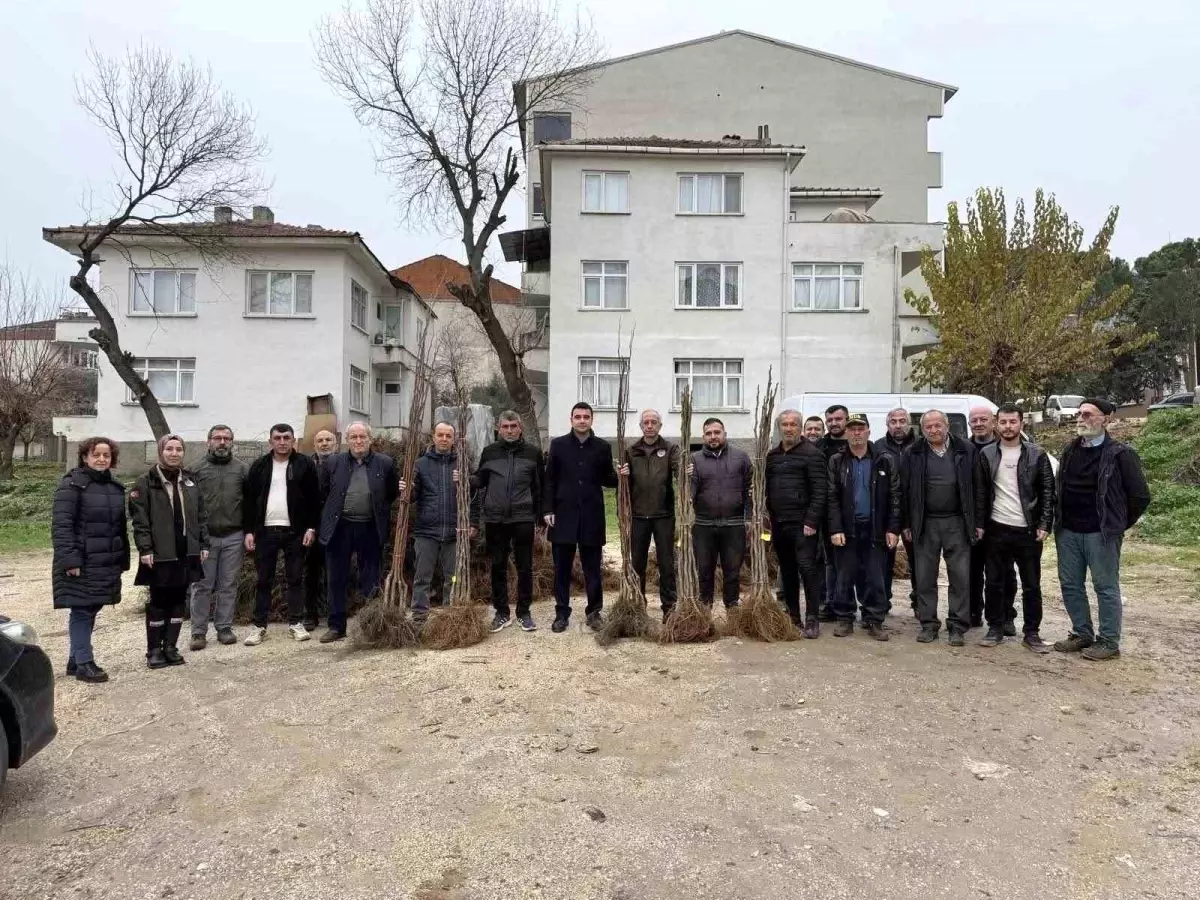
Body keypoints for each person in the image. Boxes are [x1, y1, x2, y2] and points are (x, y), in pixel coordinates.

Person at [1053, 398, 1150, 660]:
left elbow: (1140, 496)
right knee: (1070, 584)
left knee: (1105, 587)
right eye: (1079, 413)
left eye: (1088, 414)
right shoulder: (1071, 449)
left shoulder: (1120, 453)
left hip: (1101, 534)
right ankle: (1082, 633)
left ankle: (1108, 642)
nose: (1081, 418)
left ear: (1105, 419)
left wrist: (1117, 524)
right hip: (1068, 531)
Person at [899, 410, 988, 647]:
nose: (933, 430)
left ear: (947, 426)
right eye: (928, 427)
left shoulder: (966, 449)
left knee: (960, 577)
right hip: (924, 523)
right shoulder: (913, 452)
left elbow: (979, 488)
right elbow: (904, 490)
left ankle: (957, 626)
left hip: (957, 522)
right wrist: (906, 523)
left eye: (938, 425)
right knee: (925, 577)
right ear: (922, 429)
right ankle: (928, 624)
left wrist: (978, 522)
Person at [977, 404, 1056, 652]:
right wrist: (980, 524)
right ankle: (995, 627)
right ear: (996, 424)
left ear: (1021, 423)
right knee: (994, 582)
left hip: (1028, 530)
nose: (1008, 427)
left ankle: (1031, 633)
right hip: (996, 529)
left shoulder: (1037, 454)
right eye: (1003, 422)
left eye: (1013, 422)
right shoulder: (987, 454)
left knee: (1031, 584)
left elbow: (1047, 491)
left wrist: (1044, 523)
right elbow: (981, 492)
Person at [51, 437, 130, 683]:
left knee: (92, 606)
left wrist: (121, 559)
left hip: (106, 561)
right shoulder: (72, 485)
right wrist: (70, 560)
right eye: (96, 454)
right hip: (81, 561)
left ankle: (75, 660)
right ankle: (85, 664)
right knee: (82, 609)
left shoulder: (114, 488)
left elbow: (119, 529)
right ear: (85, 457)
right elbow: (62, 526)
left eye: (106, 455)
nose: (101, 459)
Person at [129, 435, 209, 669]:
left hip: (186, 550)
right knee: (159, 600)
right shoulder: (146, 481)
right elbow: (140, 520)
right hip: (160, 551)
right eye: (169, 449)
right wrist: (145, 548)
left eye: (178, 449)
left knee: (178, 599)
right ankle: (154, 650)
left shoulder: (191, 480)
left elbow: (201, 516)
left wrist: (203, 544)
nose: (174, 453)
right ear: (161, 451)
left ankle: (171, 647)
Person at [318, 422, 399, 642]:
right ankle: (336, 627)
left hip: (370, 527)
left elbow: (391, 493)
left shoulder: (385, 463)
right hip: (339, 527)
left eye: (362, 437)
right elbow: (323, 492)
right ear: (347, 440)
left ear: (370, 439)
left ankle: (369, 627)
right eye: (353, 437)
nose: (358, 441)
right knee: (336, 578)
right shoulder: (333, 462)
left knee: (370, 579)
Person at [242, 423, 320, 646]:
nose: (282, 442)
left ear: (293, 440)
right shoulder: (259, 466)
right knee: (263, 580)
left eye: (287, 438)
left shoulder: (305, 464)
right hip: (265, 532)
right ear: (271, 441)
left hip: (295, 532)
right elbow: (249, 501)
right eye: (278, 438)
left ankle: (296, 623)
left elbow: (315, 499)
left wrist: (311, 527)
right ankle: (259, 626)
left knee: (295, 579)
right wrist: (249, 531)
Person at [544, 402, 618, 633]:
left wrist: (621, 475)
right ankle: (561, 613)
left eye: (586, 417)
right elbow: (549, 480)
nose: (582, 420)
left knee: (593, 569)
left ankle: (594, 612)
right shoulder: (558, 445)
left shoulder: (602, 447)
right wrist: (548, 510)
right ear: (571, 419)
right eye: (578, 417)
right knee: (562, 569)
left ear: (592, 419)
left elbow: (608, 479)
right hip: (563, 515)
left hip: (591, 516)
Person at [828, 414, 900, 641]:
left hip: (875, 528)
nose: (856, 433)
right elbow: (831, 497)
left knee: (875, 576)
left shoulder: (884, 459)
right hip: (847, 528)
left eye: (861, 429)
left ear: (869, 431)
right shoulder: (837, 461)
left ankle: (874, 618)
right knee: (844, 575)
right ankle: (844, 617)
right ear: (846, 433)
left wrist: (893, 528)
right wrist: (835, 528)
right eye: (852, 429)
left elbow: (895, 495)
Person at [472, 410, 543, 633]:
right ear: (498, 428)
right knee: (498, 566)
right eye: (505, 427)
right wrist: (466, 478)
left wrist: (540, 516)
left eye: (514, 426)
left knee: (525, 566)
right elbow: (481, 479)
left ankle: (524, 612)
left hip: (523, 517)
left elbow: (539, 487)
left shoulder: (533, 453)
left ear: (520, 428)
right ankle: (502, 612)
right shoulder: (489, 452)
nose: (510, 430)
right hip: (495, 518)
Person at [399, 422, 468, 627]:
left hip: (454, 531)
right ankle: (419, 618)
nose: (444, 439)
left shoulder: (461, 463)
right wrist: (406, 489)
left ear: (454, 439)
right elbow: (412, 497)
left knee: (453, 578)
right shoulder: (421, 464)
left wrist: (472, 523)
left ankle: (449, 616)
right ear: (433, 437)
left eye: (448, 436)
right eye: (440, 435)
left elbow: (473, 496)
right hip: (426, 531)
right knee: (422, 577)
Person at [764, 409, 826, 636]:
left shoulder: (813, 454)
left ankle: (812, 619)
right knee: (787, 570)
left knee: (808, 569)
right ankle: (793, 616)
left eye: (793, 424)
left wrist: (812, 521)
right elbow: (766, 488)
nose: (788, 429)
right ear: (779, 428)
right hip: (779, 523)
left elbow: (820, 491)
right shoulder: (772, 456)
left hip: (803, 524)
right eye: (785, 425)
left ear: (800, 428)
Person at [617, 409, 681, 623]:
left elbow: (679, 472)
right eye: (646, 422)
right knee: (637, 563)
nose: (650, 425)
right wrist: (622, 476)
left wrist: (684, 471)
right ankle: (638, 606)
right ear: (641, 426)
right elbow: (623, 485)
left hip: (664, 516)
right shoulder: (631, 451)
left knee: (666, 563)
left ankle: (669, 609)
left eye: (654, 422)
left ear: (660, 426)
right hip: (638, 516)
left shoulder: (670, 449)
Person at [189, 425, 247, 650]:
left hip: (234, 535)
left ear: (232, 442)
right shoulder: (195, 470)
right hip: (206, 538)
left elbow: (250, 502)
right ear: (208, 442)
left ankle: (224, 627)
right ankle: (198, 632)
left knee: (228, 585)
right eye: (217, 438)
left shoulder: (242, 469)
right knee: (202, 585)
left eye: (226, 438)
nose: (222, 442)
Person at [690, 417, 753, 611]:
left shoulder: (741, 458)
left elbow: (749, 489)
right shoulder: (694, 460)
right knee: (704, 571)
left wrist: (749, 518)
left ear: (724, 434)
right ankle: (705, 610)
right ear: (703, 437)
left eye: (717, 432)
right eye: (708, 433)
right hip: (704, 525)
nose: (713, 437)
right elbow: (688, 493)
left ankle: (732, 610)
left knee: (732, 571)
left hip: (733, 524)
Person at [967, 405, 1016, 629]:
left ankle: (1005, 616)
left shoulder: (1006, 447)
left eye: (983, 419)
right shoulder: (964, 449)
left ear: (993, 421)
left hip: (1001, 520)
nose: (978, 424)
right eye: (974, 420)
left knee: (1003, 572)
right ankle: (973, 613)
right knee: (972, 571)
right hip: (971, 521)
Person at [874, 407, 919, 616]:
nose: (898, 425)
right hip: (887, 513)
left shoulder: (920, 445)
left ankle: (919, 603)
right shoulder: (878, 447)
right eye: (893, 421)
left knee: (918, 563)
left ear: (909, 423)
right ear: (887, 424)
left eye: (902, 421)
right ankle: (882, 604)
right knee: (884, 562)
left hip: (914, 512)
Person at [816, 404, 850, 620]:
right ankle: (831, 603)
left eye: (838, 419)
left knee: (854, 562)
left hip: (855, 513)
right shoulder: (819, 447)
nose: (834, 423)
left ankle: (850, 606)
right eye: (830, 420)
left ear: (846, 419)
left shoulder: (856, 444)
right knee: (831, 562)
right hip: (828, 513)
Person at [304, 429, 340, 630]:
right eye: (320, 440)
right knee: (311, 573)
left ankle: (334, 614)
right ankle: (310, 615)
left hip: (336, 527)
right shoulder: (306, 466)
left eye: (328, 440)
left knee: (335, 573)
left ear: (336, 443)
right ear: (314, 444)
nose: (324, 443)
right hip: (311, 527)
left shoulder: (343, 464)